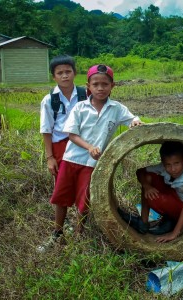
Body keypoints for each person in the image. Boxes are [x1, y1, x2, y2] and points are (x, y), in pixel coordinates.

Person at [37, 64, 142, 252]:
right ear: (88, 87)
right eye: (96, 84)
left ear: (113, 86)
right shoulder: (80, 108)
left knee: (83, 202)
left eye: (105, 84)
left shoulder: (116, 109)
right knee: (61, 198)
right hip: (71, 159)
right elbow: (71, 135)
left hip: (93, 164)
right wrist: (90, 147)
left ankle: (79, 235)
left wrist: (135, 121)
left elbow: (131, 119)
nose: (100, 88)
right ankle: (57, 233)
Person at [119, 141, 183, 243]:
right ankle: (143, 223)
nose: (173, 169)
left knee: (155, 196)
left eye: (177, 163)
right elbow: (140, 171)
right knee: (148, 178)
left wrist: (174, 233)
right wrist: (146, 186)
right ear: (163, 162)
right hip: (174, 198)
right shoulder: (165, 167)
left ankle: (172, 223)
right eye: (168, 165)